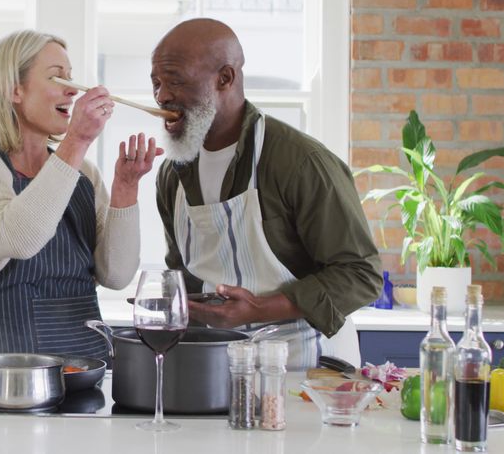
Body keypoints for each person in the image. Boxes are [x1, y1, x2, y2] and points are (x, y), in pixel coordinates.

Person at [151, 18, 382, 369]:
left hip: (309, 365)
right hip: (219, 364)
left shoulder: (301, 163)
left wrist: (261, 309)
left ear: (224, 78)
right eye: (156, 83)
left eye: (175, 81)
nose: (161, 96)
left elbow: (360, 274)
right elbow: (180, 274)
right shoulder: (172, 175)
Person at [0, 29, 163, 360]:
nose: (71, 90)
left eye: (72, 78)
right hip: (9, 369)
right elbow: (19, 239)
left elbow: (117, 275)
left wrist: (125, 186)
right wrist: (76, 140)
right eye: (56, 77)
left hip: (87, 363)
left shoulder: (84, 172)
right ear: (14, 90)